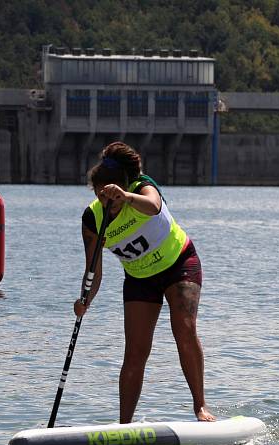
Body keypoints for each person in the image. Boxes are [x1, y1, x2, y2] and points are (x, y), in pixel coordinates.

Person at [73, 141, 216, 423]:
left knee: (183, 329)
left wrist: (125, 196)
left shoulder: (142, 188)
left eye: (110, 196)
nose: (107, 203)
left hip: (179, 265)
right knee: (135, 351)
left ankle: (200, 407)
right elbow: (94, 270)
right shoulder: (92, 219)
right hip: (140, 278)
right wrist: (85, 300)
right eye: (101, 196)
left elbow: (152, 207)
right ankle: (124, 424)